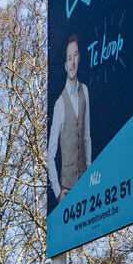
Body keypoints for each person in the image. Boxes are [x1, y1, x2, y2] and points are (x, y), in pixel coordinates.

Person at [45, 33, 90, 205]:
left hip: (85, 186)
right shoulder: (59, 104)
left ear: (79, 58)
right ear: (65, 65)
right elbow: (50, 154)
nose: (72, 63)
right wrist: (57, 192)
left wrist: (90, 171)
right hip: (69, 189)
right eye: (69, 58)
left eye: (75, 56)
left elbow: (87, 136)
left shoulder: (84, 91)